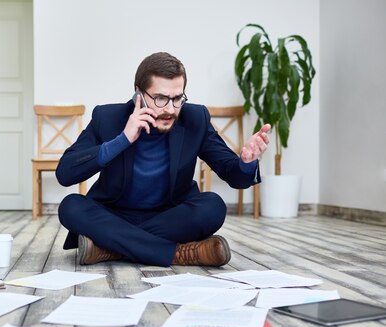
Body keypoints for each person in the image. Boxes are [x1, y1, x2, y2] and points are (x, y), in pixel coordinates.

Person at [56, 52, 270, 267]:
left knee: (213, 206)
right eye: (160, 98)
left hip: (170, 217)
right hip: (114, 215)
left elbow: (232, 173)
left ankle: (109, 248)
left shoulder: (195, 118)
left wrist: (246, 162)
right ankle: (179, 253)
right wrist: (122, 140)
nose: (170, 109)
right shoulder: (108, 117)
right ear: (138, 93)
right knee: (71, 206)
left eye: (177, 98)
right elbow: (65, 173)